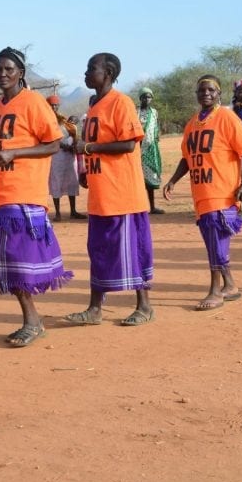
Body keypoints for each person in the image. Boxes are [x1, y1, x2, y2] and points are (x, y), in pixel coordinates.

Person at [0, 47, 72, 346]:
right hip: (3, 194)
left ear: (21, 73)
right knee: (9, 262)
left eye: (9, 69)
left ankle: (32, 321)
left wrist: (15, 152)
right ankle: (32, 320)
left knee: (17, 259)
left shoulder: (33, 102)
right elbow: (1, 145)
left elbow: (54, 143)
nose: (2, 74)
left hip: (25, 192)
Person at [63, 53, 154, 326]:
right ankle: (94, 309)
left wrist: (88, 148)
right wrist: (87, 170)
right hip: (101, 193)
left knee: (133, 249)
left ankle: (145, 306)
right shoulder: (95, 107)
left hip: (123, 194)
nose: (86, 73)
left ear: (109, 73)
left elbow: (128, 144)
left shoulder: (121, 103)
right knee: (99, 251)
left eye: (92, 69)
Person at [163, 75, 242, 310]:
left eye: (211, 90)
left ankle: (215, 290)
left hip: (223, 191)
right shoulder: (193, 122)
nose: (206, 93)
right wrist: (173, 180)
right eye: (202, 90)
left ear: (219, 94)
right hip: (201, 191)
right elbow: (187, 157)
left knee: (216, 239)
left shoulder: (226, 117)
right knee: (213, 241)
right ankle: (231, 286)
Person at [46, 94, 85, 220]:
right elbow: (47, 138)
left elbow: (72, 133)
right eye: (51, 105)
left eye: (56, 105)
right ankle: (57, 213)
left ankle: (73, 211)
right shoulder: (45, 119)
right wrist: (63, 146)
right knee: (56, 182)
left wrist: (73, 143)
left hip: (69, 157)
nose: (54, 107)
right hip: (55, 157)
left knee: (72, 182)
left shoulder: (63, 120)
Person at [138, 87, 164, 215]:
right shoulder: (135, 112)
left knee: (150, 177)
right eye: (144, 97)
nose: (146, 99)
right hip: (137, 150)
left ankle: (152, 207)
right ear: (140, 98)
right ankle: (138, 207)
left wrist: (156, 139)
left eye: (149, 97)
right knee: (138, 179)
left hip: (151, 149)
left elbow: (155, 128)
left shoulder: (154, 112)